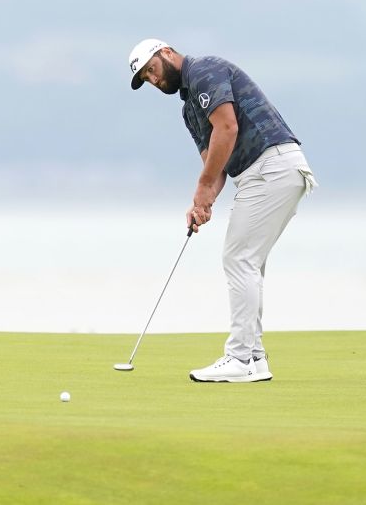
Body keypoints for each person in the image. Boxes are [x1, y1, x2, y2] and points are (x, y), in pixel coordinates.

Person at [128, 38, 317, 383]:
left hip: (271, 167)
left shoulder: (205, 70)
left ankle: (239, 358)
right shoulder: (189, 110)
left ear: (166, 52)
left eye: (152, 70)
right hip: (266, 174)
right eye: (147, 80)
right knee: (249, 262)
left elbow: (227, 128)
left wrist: (203, 188)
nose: (154, 80)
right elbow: (216, 165)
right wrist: (203, 201)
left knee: (238, 259)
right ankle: (255, 358)